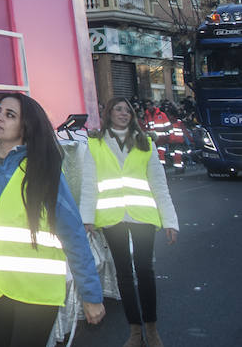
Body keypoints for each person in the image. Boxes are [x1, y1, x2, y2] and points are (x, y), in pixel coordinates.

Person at [0, 93, 104, 347]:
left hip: (38, 292)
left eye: (10, 115)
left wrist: (91, 294)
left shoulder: (43, 168)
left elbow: (73, 234)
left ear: (27, 127)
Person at [82, 97, 178, 347]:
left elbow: (159, 184)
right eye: (118, 109)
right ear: (109, 113)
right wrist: (87, 218)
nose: (123, 113)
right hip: (112, 217)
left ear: (133, 115)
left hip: (142, 215)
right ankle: (135, 332)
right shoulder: (95, 143)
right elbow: (89, 184)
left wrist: (170, 220)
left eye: (128, 110)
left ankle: (152, 329)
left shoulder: (145, 142)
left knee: (145, 271)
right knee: (124, 274)